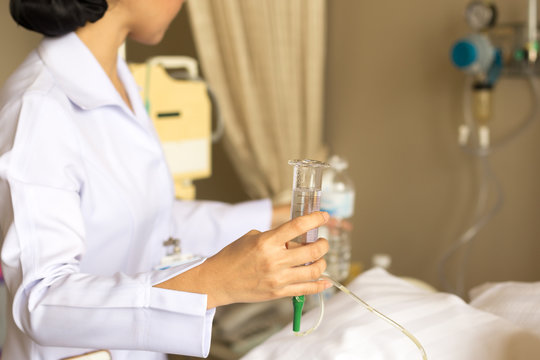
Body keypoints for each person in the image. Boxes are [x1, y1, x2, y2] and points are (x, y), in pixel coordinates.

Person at [0, 0, 331, 359]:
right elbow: (41, 300)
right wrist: (213, 283)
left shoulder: (116, 81)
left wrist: (270, 217)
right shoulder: (38, 108)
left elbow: (149, 220)